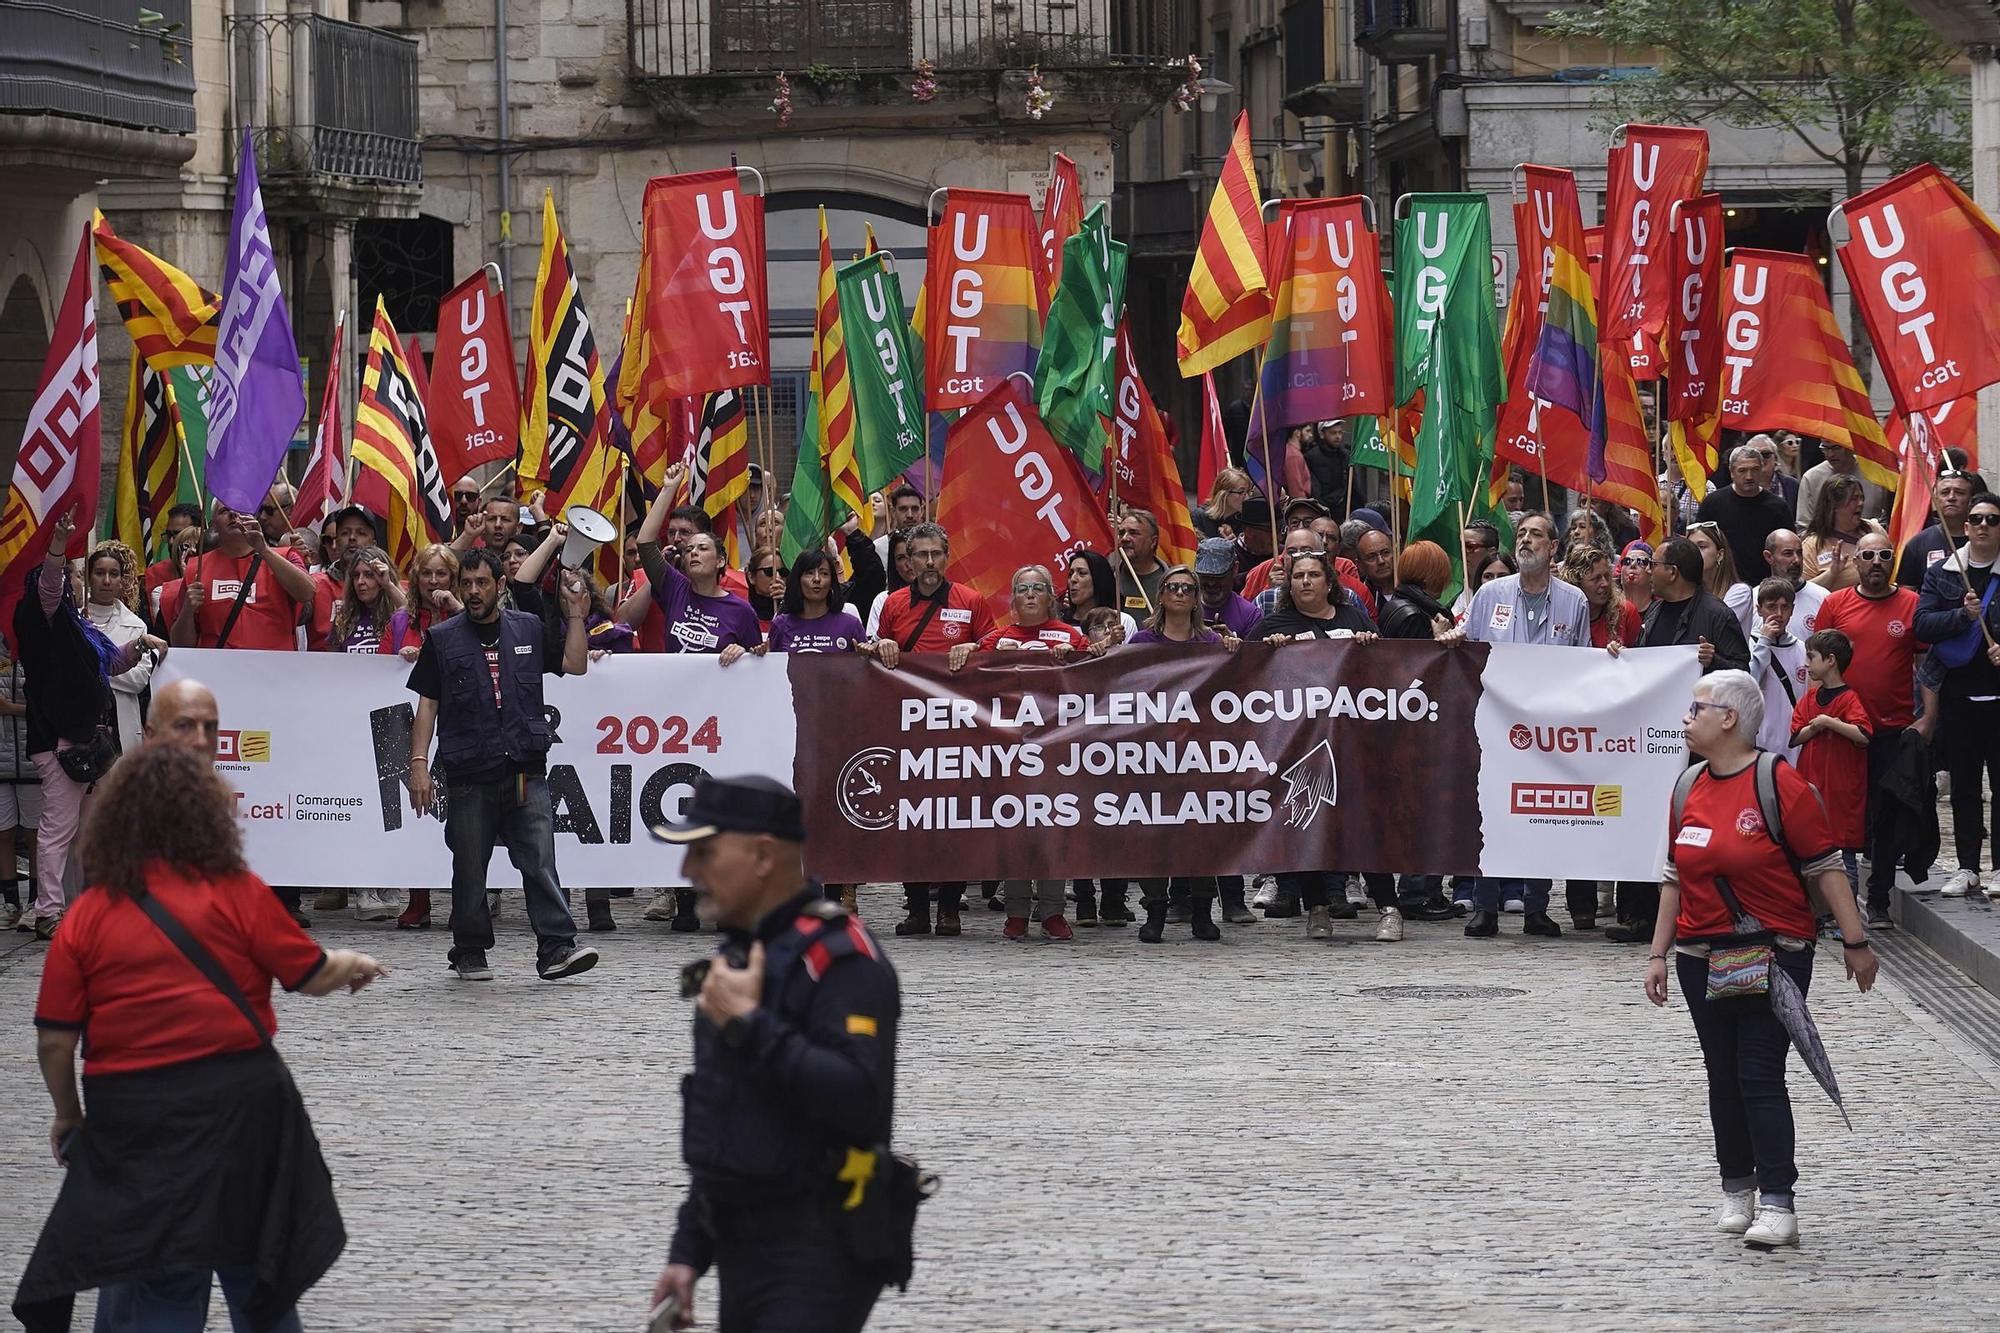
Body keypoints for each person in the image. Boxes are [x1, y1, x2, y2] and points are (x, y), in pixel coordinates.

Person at [16, 744, 386, 1331]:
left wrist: (69, 1116)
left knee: (163, 1275)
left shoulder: (88, 914)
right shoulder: (237, 891)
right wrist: (354, 961)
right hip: (242, 1105)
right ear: (207, 814)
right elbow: (310, 975)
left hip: (134, 1112)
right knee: (256, 1270)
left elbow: (55, 1043)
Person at [649, 775, 902, 1333]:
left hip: (820, 1246)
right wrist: (688, 1250)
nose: (688, 871)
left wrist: (748, 1025)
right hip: (744, 1242)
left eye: (705, 852)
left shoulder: (841, 959)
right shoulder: (740, 957)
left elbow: (859, 1099)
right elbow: (724, 1116)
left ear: (763, 855)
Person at [1645, 668, 1876, 1250]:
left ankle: (1779, 1201)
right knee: (1722, 1077)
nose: (1686, 720)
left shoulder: (1779, 783)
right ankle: (1737, 1188)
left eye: (1695, 710)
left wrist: (1856, 943)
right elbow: (1673, 878)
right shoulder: (1686, 786)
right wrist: (1657, 955)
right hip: (1702, 956)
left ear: (1730, 718)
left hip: (1773, 954)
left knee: (1758, 1073)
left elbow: (1826, 867)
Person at [405, 548, 602, 978]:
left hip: (523, 771)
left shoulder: (528, 627)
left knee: (539, 860)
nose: (473, 592)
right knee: (470, 867)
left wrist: (573, 614)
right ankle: (470, 950)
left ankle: (556, 949)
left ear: (501, 586)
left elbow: (575, 663)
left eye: (481, 583)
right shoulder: (443, 639)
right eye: (467, 584)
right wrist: (418, 763)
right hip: (469, 773)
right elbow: (427, 706)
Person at [12, 513, 165, 942]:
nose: (79, 582)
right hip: (61, 743)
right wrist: (58, 544)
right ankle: (48, 912)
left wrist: (142, 643)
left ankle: (89, 908)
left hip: (90, 744)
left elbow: (111, 663)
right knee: (58, 831)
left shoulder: (77, 630)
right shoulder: (44, 622)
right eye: (76, 576)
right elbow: (46, 588)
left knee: (91, 833)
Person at [1611, 537, 1756, 944]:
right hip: (1651, 748)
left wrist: (1716, 662)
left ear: (1672, 572)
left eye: (1653, 563)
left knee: (1696, 831)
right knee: (1643, 823)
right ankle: (1638, 915)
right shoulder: (1654, 612)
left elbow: (1742, 676)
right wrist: (1622, 655)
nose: (1646, 569)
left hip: (1696, 749)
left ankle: (1702, 913)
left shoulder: (1716, 615)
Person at [1451, 514, 1587, 938]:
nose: (1526, 540)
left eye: (1536, 535)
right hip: (1495, 723)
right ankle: (1484, 905)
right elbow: (1467, 651)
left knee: (1541, 812)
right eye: (1522, 534)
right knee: (1492, 814)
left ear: (1553, 547)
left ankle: (1537, 906)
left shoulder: (1574, 601)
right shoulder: (1490, 594)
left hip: (1547, 729)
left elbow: (1582, 663)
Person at [865, 522, 993, 939]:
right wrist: (880, 647)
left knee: (954, 820)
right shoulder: (893, 604)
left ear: (947, 554)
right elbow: (872, 652)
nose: (929, 562)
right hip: (910, 730)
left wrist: (974, 646)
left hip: (959, 730)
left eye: (936, 553)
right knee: (911, 821)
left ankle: (950, 909)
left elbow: (996, 644)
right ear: (908, 560)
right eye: (920, 554)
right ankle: (917, 907)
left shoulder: (970, 600)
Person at [1249, 552, 1387, 939]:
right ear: (1288, 586)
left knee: (1364, 827)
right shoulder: (1273, 627)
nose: (1306, 581)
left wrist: (1370, 647)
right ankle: (1317, 908)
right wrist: (1267, 652)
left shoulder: (1354, 619)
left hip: (1353, 743)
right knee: (1307, 826)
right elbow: (1250, 684)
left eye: (1314, 575)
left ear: (1329, 583)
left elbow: (1385, 673)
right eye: (1299, 576)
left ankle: (1388, 907)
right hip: (1302, 747)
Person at [948, 567, 1088, 942]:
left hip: (1057, 750)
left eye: (1037, 588)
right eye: (1022, 588)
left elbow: (1094, 676)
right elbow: (971, 677)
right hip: (1009, 752)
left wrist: (1079, 654)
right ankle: (1016, 912)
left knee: (1053, 830)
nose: (1030, 594)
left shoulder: (1069, 635)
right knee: (1016, 830)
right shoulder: (998, 638)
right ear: (1012, 598)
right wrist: (967, 649)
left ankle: (1053, 911)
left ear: (1049, 597)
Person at [1818, 531, 1925, 926]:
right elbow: (1818, 667)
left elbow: (1925, 666)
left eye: (1884, 554)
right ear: (1855, 562)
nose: (1876, 561)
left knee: (1886, 818)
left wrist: (1927, 717)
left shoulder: (1912, 604)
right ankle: (1839, 905)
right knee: (1843, 817)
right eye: (1868, 555)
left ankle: (1878, 900)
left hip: (1892, 730)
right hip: (1843, 731)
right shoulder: (1835, 604)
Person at [1914, 492, 2000, 899]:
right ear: (1965, 527)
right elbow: (1923, 625)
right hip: (1957, 699)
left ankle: (1999, 867)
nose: (1983, 525)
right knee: (1964, 787)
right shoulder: (1945, 573)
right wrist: (1961, 616)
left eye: (1992, 520)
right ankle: (1968, 866)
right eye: (1976, 519)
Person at [1790, 629, 1874, 917]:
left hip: (1842, 791)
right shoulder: (1810, 698)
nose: (1807, 664)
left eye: (1811, 658)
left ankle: (1845, 916)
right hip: (1812, 788)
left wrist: (1829, 722)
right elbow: (1795, 735)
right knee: (1810, 855)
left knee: (1842, 856)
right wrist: (1815, 726)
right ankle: (1818, 914)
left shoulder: (1850, 699)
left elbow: (1863, 734)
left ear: (1830, 661)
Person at [165, 504, 319, 651]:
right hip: (216, 672)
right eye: (224, 510)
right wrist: (187, 611)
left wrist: (264, 550)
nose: (233, 514)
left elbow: (308, 592)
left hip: (273, 671)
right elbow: (180, 644)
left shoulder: (286, 556)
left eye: (241, 509)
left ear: (254, 517)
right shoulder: (196, 568)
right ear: (213, 525)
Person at [81, 541, 156, 753]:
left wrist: (90, 671)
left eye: (114, 574)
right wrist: (115, 667)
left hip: (123, 727)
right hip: (79, 727)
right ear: (88, 576)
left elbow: (138, 680)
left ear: (121, 580)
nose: (106, 581)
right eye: (99, 573)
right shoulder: (73, 620)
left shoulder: (136, 625)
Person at [1695, 443, 1792, 585]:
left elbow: (1788, 549)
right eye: (1742, 471)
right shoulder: (1713, 503)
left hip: (1766, 585)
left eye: (1754, 470)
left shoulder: (1778, 507)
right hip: (1723, 584)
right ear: (1731, 472)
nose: (1749, 476)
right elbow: (1700, 544)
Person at [304, 505, 384, 651]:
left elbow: (411, 622)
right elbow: (293, 619)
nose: (352, 538)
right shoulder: (315, 584)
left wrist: (390, 586)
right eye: (345, 533)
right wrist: (297, 570)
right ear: (337, 541)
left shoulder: (391, 586)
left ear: (374, 544)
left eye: (361, 533)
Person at [1746, 578, 1808, 763]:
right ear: (1759, 609)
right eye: (1772, 607)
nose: (1779, 614)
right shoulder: (1747, 644)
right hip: (1758, 742)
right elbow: (1748, 684)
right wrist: (1764, 641)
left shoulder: (1803, 649)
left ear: (1792, 610)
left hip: (1793, 745)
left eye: (1785, 607)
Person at [1, 647, 38, 933]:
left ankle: (36, 901)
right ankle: (10, 902)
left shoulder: (37, 650)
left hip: (32, 760)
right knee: (4, 833)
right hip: (1, 760)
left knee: (35, 834)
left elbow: (50, 707)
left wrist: (11, 709)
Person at [1897, 467, 1981, 590]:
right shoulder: (1917, 544)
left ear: (1971, 499)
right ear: (1935, 498)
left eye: (1959, 492)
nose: (1951, 497)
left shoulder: (1985, 539)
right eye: (1945, 492)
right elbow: (1906, 596)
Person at [1799, 475, 1883, 595]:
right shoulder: (1812, 545)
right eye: (1854, 499)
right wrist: (1832, 573)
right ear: (1835, 506)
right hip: (1837, 610)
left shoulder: (1873, 529)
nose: (1861, 503)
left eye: (1861, 498)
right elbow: (1804, 593)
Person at [325, 545, 407, 654]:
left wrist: (388, 585)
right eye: (356, 575)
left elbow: (412, 616)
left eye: (369, 575)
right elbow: (332, 662)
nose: (360, 581)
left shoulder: (398, 615)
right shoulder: (343, 618)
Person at [388, 544, 462, 661]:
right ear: (417, 578)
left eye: (441, 574)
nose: (433, 580)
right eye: (426, 573)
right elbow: (382, 668)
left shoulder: (463, 617)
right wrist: (398, 660)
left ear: (452, 579)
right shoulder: (399, 620)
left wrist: (458, 609)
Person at [1796, 439, 1888, 528]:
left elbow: (1889, 518)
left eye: (1836, 448)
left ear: (1850, 445)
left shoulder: (1877, 473)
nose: (1830, 454)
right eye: (1825, 448)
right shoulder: (1811, 478)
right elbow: (1804, 526)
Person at [1567, 544, 1641, 649]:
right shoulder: (1562, 615)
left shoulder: (1625, 612)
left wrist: (1625, 655)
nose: (1605, 583)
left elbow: (1641, 659)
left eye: (1607, 576)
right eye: (1596, 579)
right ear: (1577, 583)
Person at [1686, 520, 1754, 632]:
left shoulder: (1740, 593)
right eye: (1690, 548)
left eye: (1701, 547)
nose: (1694, 553)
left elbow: (1710, 629)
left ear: (1720, 554)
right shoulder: (1687, 592)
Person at [1061, 549, 1138, 641]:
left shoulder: (1122, 621)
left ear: (1099, 579)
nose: (1073, 579)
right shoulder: (1059, 623)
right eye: (1070, 574)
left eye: (1082, 573)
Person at [1193, 537, 1261, 637]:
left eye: (1219, 577)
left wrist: (1234, 644)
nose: (1211, 583)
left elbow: (1255, 652)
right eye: (1206, 576)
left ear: (1235, 569)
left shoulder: (1250, 616)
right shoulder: (1181, 609)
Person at [1113, 509, 1166, 618]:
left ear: (1153, 541)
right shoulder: (1109, 578)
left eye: (1134, 533)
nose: (1124, 538)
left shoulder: (1170, 583)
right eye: (1121, 533)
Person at [1195, 467, 1254, 539]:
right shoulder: (1199, 517)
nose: (1247, 498)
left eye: (1248, 492)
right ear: (1223, 495)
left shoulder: (1247, 521)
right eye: (1241, 492)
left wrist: (1236, 545)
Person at [1351, 527, 1397, 607]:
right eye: (1371, 557)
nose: (1381, 561)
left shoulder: (1412, 590)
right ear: (1360, 565)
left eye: (1385, 553)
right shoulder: (1357, 598)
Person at [1619, 541, 1655, 622]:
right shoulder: (1609, 608)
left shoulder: (1660, 611)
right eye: (1627, 561)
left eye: (1641, 561)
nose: (1632, 565)